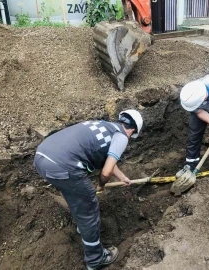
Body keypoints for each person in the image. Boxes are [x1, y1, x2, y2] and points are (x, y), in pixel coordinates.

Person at [33, 110, 143, 270]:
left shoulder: (104, 126)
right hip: (63, 166)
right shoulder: (121, 137)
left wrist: (122, 177)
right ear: (133, 131)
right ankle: (95, 259)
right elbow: (105, 172)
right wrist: (101, 185)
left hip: (42, 157)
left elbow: (109, 160)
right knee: (89, 208)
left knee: (76, 195)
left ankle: (83, 227)